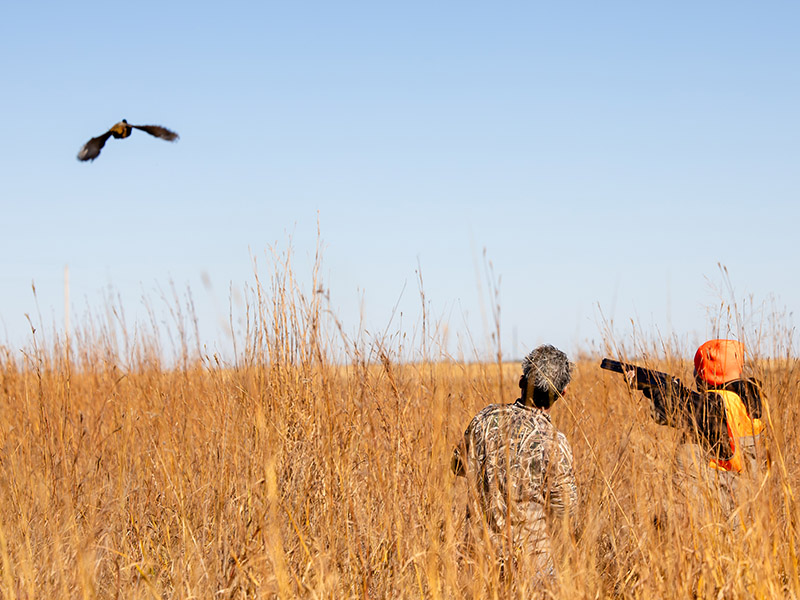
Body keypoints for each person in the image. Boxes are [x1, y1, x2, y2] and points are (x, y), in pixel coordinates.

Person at [451, 344, 578, 588]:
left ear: (521, 382)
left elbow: (457, 465)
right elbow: (565, 511)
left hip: (478, 562)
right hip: (533, 569)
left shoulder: (484, 419)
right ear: (563, 393)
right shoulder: (555, 443)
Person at [633, 339, 765, 524]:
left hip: (714, 514)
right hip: (742, 506)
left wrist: (655, 389)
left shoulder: (717, 405)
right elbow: (690, 405)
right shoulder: (745, 399)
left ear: (707, 373)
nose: (695, 374)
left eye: (697, 370)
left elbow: (668, 410)